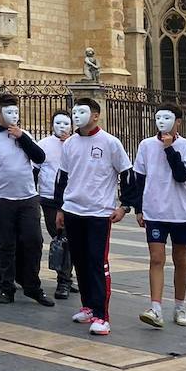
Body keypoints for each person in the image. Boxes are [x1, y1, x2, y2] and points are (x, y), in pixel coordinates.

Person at [55, 98, 132, 337]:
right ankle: (88, 306)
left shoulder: (110, 143)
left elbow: (127, 173)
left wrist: (125, 206)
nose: (76, 116)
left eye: (82, 111)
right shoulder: (69, 144)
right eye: (74, 111)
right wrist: (60, 208)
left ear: (96, 115)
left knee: (98, 263)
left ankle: (102, 315)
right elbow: (63, 177)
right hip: (73, 210)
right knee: (79, 261)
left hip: (98, 213)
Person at [0, 95, 54, 307]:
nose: (14, 116)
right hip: (1, 200)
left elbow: (39, 157)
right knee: (5, 244)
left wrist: (22, 137)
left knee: (33, 241)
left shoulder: (23, 135)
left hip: (27, 198)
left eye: (16, 113)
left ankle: (32, 286)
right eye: (9, 112)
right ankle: (6, 287)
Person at [131, 104, 186, 328]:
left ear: (178, 121)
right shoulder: (146, 145)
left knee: (180, 259)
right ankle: (155, 307)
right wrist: (139, 208)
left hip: (180, 211)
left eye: (167, 118)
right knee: (156, 258)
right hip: (155, 210)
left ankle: (179, 306)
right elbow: (139, 178)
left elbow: (181, 176)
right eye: (158, 117)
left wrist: (170, 149)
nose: (161, 122)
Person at [37, 111, 74, 300]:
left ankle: (66, 276)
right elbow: (35, 170)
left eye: (66, 123)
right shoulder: (43, 145)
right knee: (60, 238)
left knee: (71, 239)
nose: (62, 127)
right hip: (49, 198)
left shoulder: (75, 144)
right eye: (58, 123)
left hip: (73, 199)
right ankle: (64, 280)